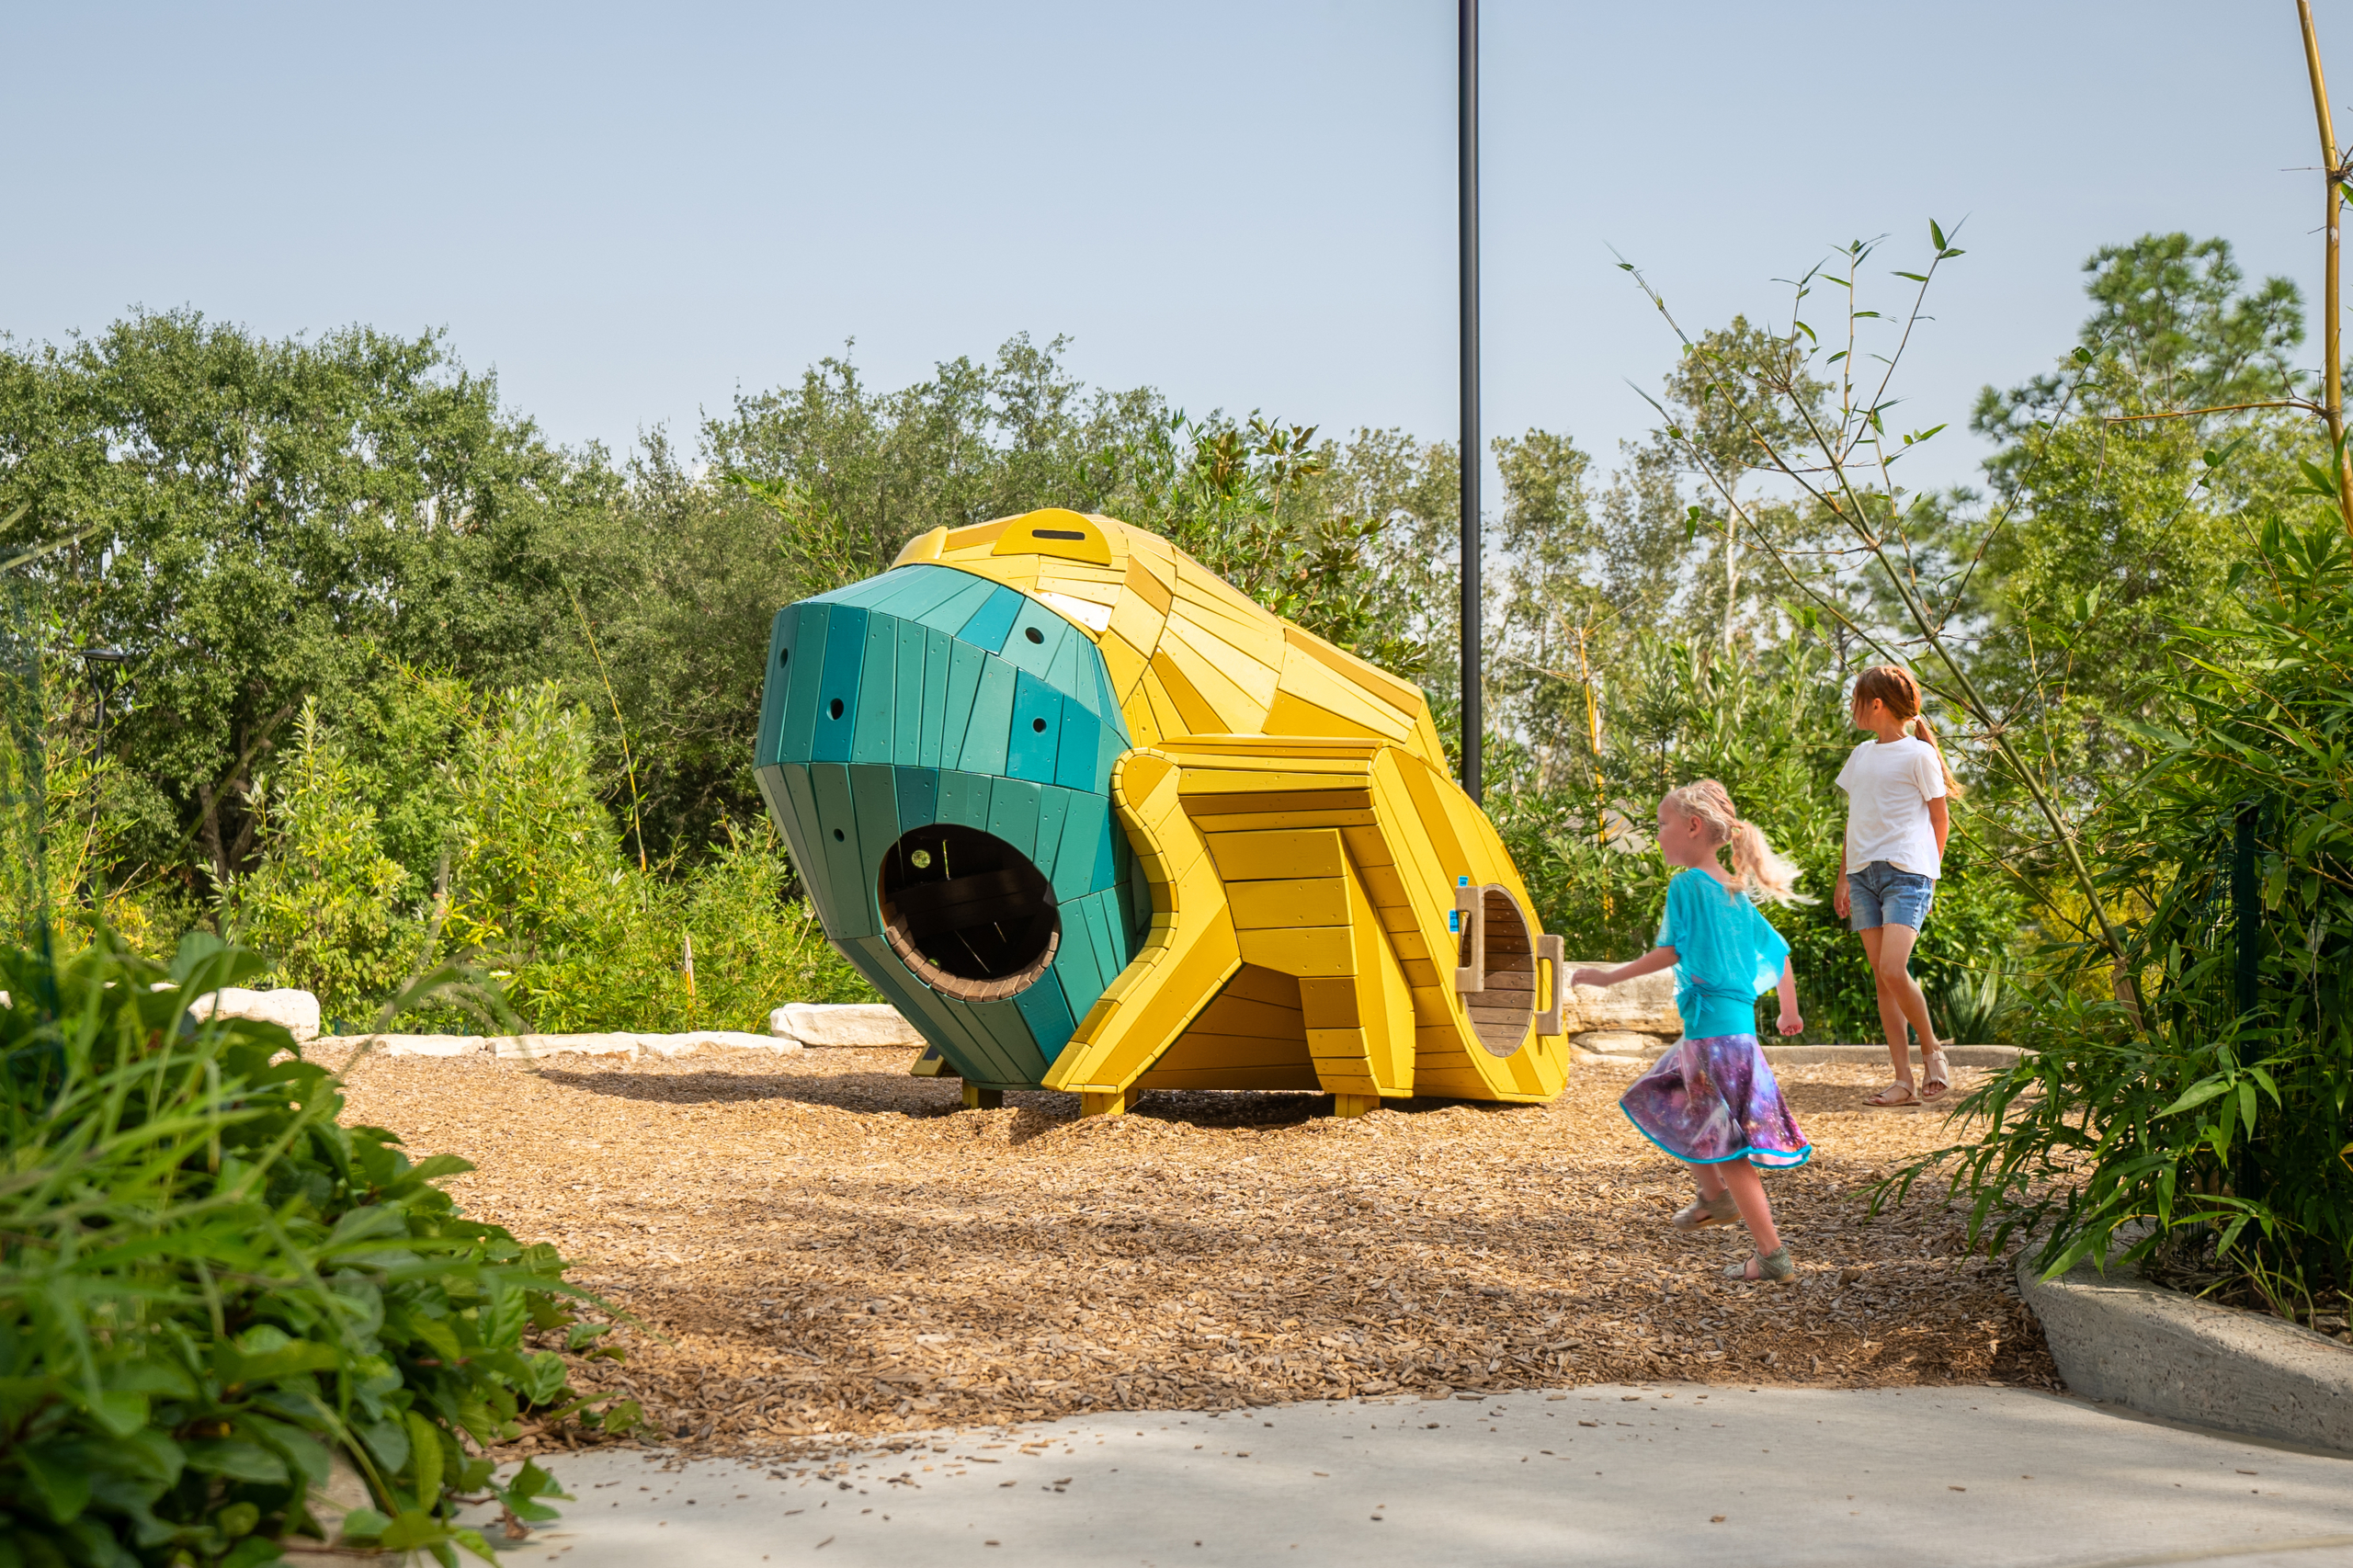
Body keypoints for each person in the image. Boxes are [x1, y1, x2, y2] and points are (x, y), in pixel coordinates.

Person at [1574, 779, 1812, 1284]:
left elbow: (1670, 953)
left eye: (1662, 824)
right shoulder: (1736, 895)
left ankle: (1770, 1254)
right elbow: (1781, 955)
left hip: (1713, 1040)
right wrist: (1787, 1012)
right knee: (1669, 1097)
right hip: (1731, 1035)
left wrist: (1607, 976)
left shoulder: (1685, 886)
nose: (1658, 834)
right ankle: (1712, 1199)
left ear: (1693, 827)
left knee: (1731, 1149)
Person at [1833, 665, 1963, 1108]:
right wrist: (1843, 879)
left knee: (1893, 968)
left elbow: (1940, 819)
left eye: (1856, 700)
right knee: (1883, 981)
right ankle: (1903, 1081)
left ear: (1876, 704)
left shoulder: (1919, 756)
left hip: (1908, 874)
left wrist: (1930, 875)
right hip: (1863, 876)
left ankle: (1934, 1053)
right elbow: (1854, 822)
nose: (1852, 708)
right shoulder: (1860, 756)